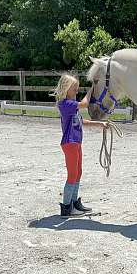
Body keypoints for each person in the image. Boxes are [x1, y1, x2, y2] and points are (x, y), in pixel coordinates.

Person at [51, 74, 107, 218]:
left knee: (78, 172)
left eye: (77, 89)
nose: (76, 91)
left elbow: (82, 121)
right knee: (72, 174)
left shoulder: (72, 107)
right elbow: (84, 104)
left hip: (76, 143)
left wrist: (100, 124)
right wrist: (92, 90)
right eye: (74, 89)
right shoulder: (65, 104)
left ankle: (74, 203)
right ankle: (66, 207)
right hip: (70, 143)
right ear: (66, 89)